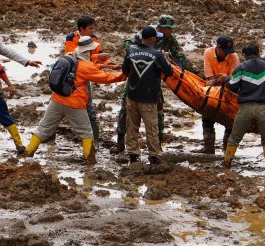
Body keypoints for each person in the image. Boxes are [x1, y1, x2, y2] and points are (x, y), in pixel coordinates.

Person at [25, 36, 126, 164]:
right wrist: (124, 75)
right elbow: (106, 78)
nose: (93, 53)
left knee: (43, 128)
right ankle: (90, 162)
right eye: (91, 51)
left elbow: (88, 65)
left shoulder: (69, 56)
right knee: (86, 133)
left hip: (56, 100)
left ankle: (28, 154)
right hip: (74, 104)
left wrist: (110, 66)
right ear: (87, 51)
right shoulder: (86, 67)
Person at [110, 15, 199, 154]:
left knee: (158, 114)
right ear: (162, 27)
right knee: (125, 111)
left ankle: (157, 146)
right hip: (137, 78)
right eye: (169, 29)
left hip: (153, 82)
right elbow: (126, 44)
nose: (171, 32)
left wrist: (197, 73)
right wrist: (144, 51)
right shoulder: (146, 34)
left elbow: (180, 58)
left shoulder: (170, 40)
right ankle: (120, 143)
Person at [122, 26, 173, 164]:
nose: (156, 39)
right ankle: (154, 156)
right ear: (151, 39)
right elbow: (169, 72)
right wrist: (165, 58)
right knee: (151, 128)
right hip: (148, 98)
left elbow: (125, 70)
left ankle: (133, 155)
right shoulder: (157, 54)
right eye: (155, 37)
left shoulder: (131, 50)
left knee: (132, 127)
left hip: (132, 96)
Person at [224, 43, 265, 170]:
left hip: (245, 108)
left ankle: (227, 164)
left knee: (234, 138)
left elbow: (232, 86)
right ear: (258, 53)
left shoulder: (241, 67)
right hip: (262, 108)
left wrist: (226, 79)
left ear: (245, 55)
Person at [65, 15, 111, 149]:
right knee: (62, 104)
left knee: (89, 106)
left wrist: (109, 64)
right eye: (90, 28)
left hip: (85, 74)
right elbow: (73, 56)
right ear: (81, 29)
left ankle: (94, 142)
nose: (93, 30)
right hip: (72, 76)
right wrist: (97, 57)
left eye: (93, 28)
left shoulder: (94, 39)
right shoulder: (71, 38)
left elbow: (101, 57)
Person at [193, 35, 240, 154]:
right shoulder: (208, 53)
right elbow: (209, 79)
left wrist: (223, 79)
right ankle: (209, 147)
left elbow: (233, 82)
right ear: (217, 48)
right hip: (212, 91)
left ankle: (227, 150)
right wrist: (223, 79)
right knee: (207, 117)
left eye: (228, 51)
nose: (226, 54)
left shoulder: (233, 57)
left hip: (229, 93)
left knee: (230, 121)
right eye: (224, 51)